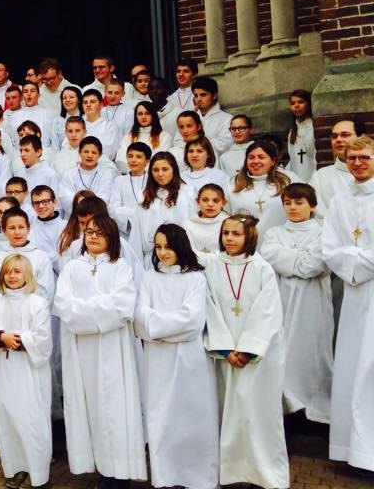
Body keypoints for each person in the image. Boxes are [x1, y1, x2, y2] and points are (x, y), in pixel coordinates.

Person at [53, 214, 146, 487]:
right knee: (87, 409)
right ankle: (100, 471)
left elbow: (123, 306)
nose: (92, 236)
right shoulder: (72, 268)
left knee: (115, 409)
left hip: (113, 351)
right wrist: (97, 310)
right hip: (80, 351)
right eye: (89, 231)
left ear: (111, 237)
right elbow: (63, 306)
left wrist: (86, 311)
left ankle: (119, 474)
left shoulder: (120, 267)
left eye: (99, 233)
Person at [205, 214, 289, 489]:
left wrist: (248, 349)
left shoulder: (262, 267)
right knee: (228, 412)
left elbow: (268, 310)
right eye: (225, 233)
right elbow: (209, 305)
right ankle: (230, 473)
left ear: (250, 237)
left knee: (257, 413)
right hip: (226, 353)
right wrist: (226, 347)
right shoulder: (213, 267)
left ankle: (263, 473)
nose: (229, 238)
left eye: (236, 234)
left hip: (256, 356)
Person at [134, 223, 219, 489]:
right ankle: (166, 477)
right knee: (161, 416)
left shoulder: (196, 278)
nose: (163, 252)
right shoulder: (149, 277)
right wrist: (160, 328)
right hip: (157, 360)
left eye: (168, 247)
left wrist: (156, 328)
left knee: (192, 416)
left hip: (189, 361)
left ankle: (199, 478)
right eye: (158, 247)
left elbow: (192, 322)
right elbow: (139, 318)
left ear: (181, 246)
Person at [321, 135, 374, 473]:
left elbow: (349, 252)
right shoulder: (339, 201)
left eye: (364, 157)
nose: (357, 162)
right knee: (353, 367)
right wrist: (355, 265)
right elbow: (330, 248)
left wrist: (356, 261)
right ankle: (352, 451)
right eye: (351, 157)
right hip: (355, 298)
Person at [259, 183, 332, 424]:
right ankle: (287, 408)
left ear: (312, 206)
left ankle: (318, 411)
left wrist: (289, 259)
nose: (292, 207)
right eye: (288, 203)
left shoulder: (323, 232)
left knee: (313, 352)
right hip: (282, 300)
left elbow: (314, 266)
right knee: (284, 353)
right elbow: (269, 257)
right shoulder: (274, 233)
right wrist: (300, 258)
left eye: (299, 202)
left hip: (313, 302)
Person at [0, 253, 53, 489]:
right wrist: (1, 336)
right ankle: (16, 468)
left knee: (31, 419)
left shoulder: (37, 302)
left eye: (17, 271)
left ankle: (38, 473)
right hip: (4, 367)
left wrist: (16, 339)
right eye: (8, 272)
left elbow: (42, 337)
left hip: (29, 370)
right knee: (8, 417)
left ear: (27, 274)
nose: (12, 276)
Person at [130, 151, 195, 259]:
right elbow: (137, 233)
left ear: (174, 170)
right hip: (152, 257)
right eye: (155, 170)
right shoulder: (144, 195)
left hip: (180, 255)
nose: (160, 174)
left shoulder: (187, 192)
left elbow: (192, 228)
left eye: (165, 169)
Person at [229, 139, 292, 239]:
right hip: (246, 242)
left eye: (261, 157)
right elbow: (225, 214)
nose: (256, 161)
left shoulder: (288, 180)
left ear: (273, 161)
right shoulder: (233, 183)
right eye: (251, 157)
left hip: (281, 242)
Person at [57, 136, 116, 218]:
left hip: (96, 219)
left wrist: (81, 201)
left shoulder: (106, 175)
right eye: (86, 152)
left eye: (94, 152)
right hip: (74, 218)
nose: (89, 155)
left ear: (100, 155)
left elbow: (104, 198)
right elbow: (65, 198)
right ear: (79, 152)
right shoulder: (69, 174)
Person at [310, 118, 360, 210]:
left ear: (361, 137)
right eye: (334, 136)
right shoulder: (320, 177)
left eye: (345, 135)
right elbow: (319, 215)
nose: (338, 140)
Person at [114, 100, 171, 173]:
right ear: (136, 116)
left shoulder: (164, 136)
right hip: (130, 177)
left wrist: (142, 172)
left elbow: (161, 160)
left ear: (153, 115)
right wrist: (136, 172)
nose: (143, 117)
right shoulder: (128, 137)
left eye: (147, 113)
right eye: (140, 114)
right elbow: (120, 160)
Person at [109, 142, 151, 237]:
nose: (133, 160)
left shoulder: (152, 181)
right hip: (125, 231)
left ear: (147, 161)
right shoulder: (119, 180)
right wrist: (134, 215)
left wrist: (127, 211)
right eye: (130, 156)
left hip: (147, 230)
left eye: (138, 157)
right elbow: (113, 208)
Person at [185, 184, 230, 266]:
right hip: (195, 268)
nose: (210, 204)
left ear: (224, 202)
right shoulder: (188, 224)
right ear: (197, 201)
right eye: (205, 200)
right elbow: (187, 251)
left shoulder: (230, 224)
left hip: (222, 267)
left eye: (215, 200)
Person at [191, 76, 233, 155]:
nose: (198, 99)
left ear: (214, 95)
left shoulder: (227, 119)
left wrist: (195, 140)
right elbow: (178, 141)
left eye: (203, 95)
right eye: (196, 95)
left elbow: (224, 145)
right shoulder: (190, 117)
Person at [81, 89, 121, 161]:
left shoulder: (110, 126)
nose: (88, 105)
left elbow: (108, 152)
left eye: (92, 102)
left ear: (101, 105)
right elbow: (68, 146)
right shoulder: (77, 124)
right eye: (85, 102)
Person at [287, 90, 317, 180]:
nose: (296, 106)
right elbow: (293, 159)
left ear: (309, 104)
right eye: (293, 103)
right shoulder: (292, 132)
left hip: (313, 176)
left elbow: (314, 157)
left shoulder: (314, 128)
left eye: (300, 102)